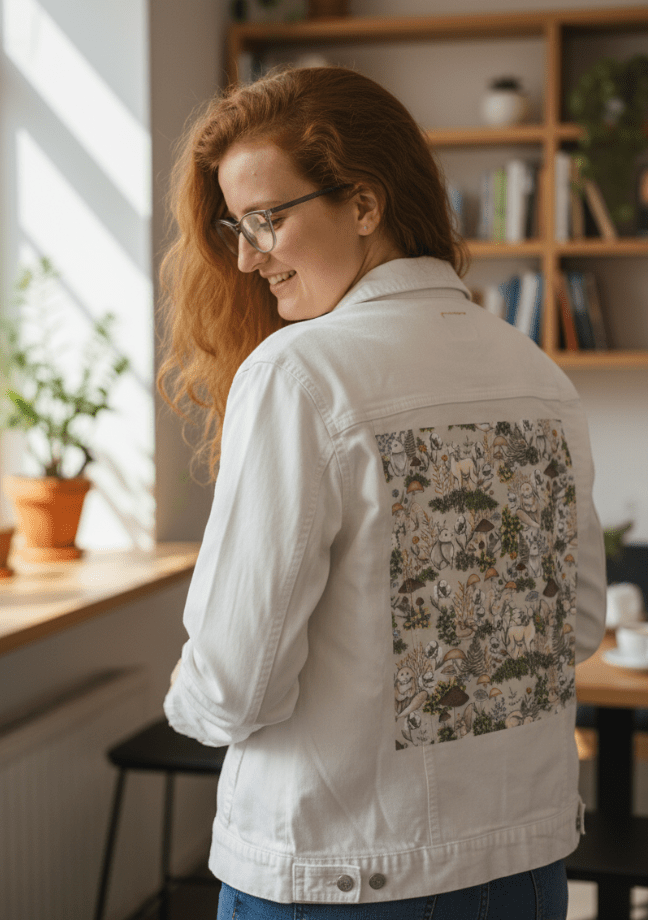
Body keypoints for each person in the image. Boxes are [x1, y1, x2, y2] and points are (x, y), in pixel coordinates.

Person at [160, 65, 606, 920]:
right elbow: (575, 624)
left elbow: (232, 687)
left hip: (339, 873)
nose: (247, 257)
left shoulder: (300, 374)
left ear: (364, 204)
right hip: (524, 868)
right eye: (236, 225)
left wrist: (185, 701)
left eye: (266, 219)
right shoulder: (535, 370)